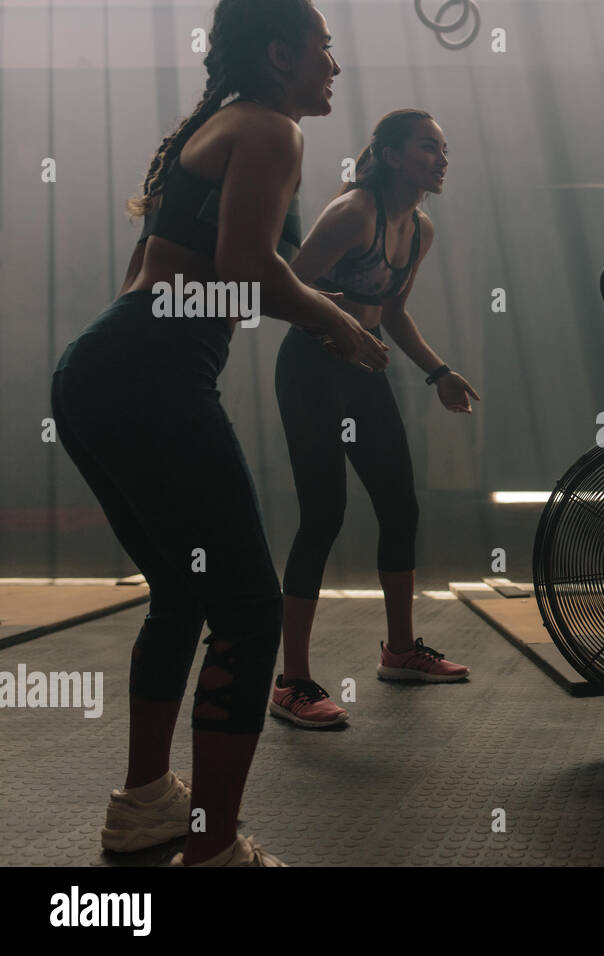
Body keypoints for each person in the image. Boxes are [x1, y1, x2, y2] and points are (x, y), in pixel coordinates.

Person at [51, 0, 384, 866]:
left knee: (185, 593)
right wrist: (335, 323)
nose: (334, 66)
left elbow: (169, 277)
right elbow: (246, 267)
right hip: (150, 374)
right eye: (323, 48)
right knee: (246, 606)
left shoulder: (220, 125)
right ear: (280, 54)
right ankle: (213, 850)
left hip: (100, 368)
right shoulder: (272, 128)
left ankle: (147, 805)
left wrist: (299, 307)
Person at [268, 110, 476, 729]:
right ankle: (292, 681)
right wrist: (343, 319)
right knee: (324, 513)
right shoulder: (354, 212)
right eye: (426, 147)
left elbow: (393, 313)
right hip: (311, 365)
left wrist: (439, 373)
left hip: (364, 368)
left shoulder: (419, 230)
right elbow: (282, 290)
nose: (440, 158)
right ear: (389, 155)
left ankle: (401, 652)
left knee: (399, 506)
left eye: (444, 148)